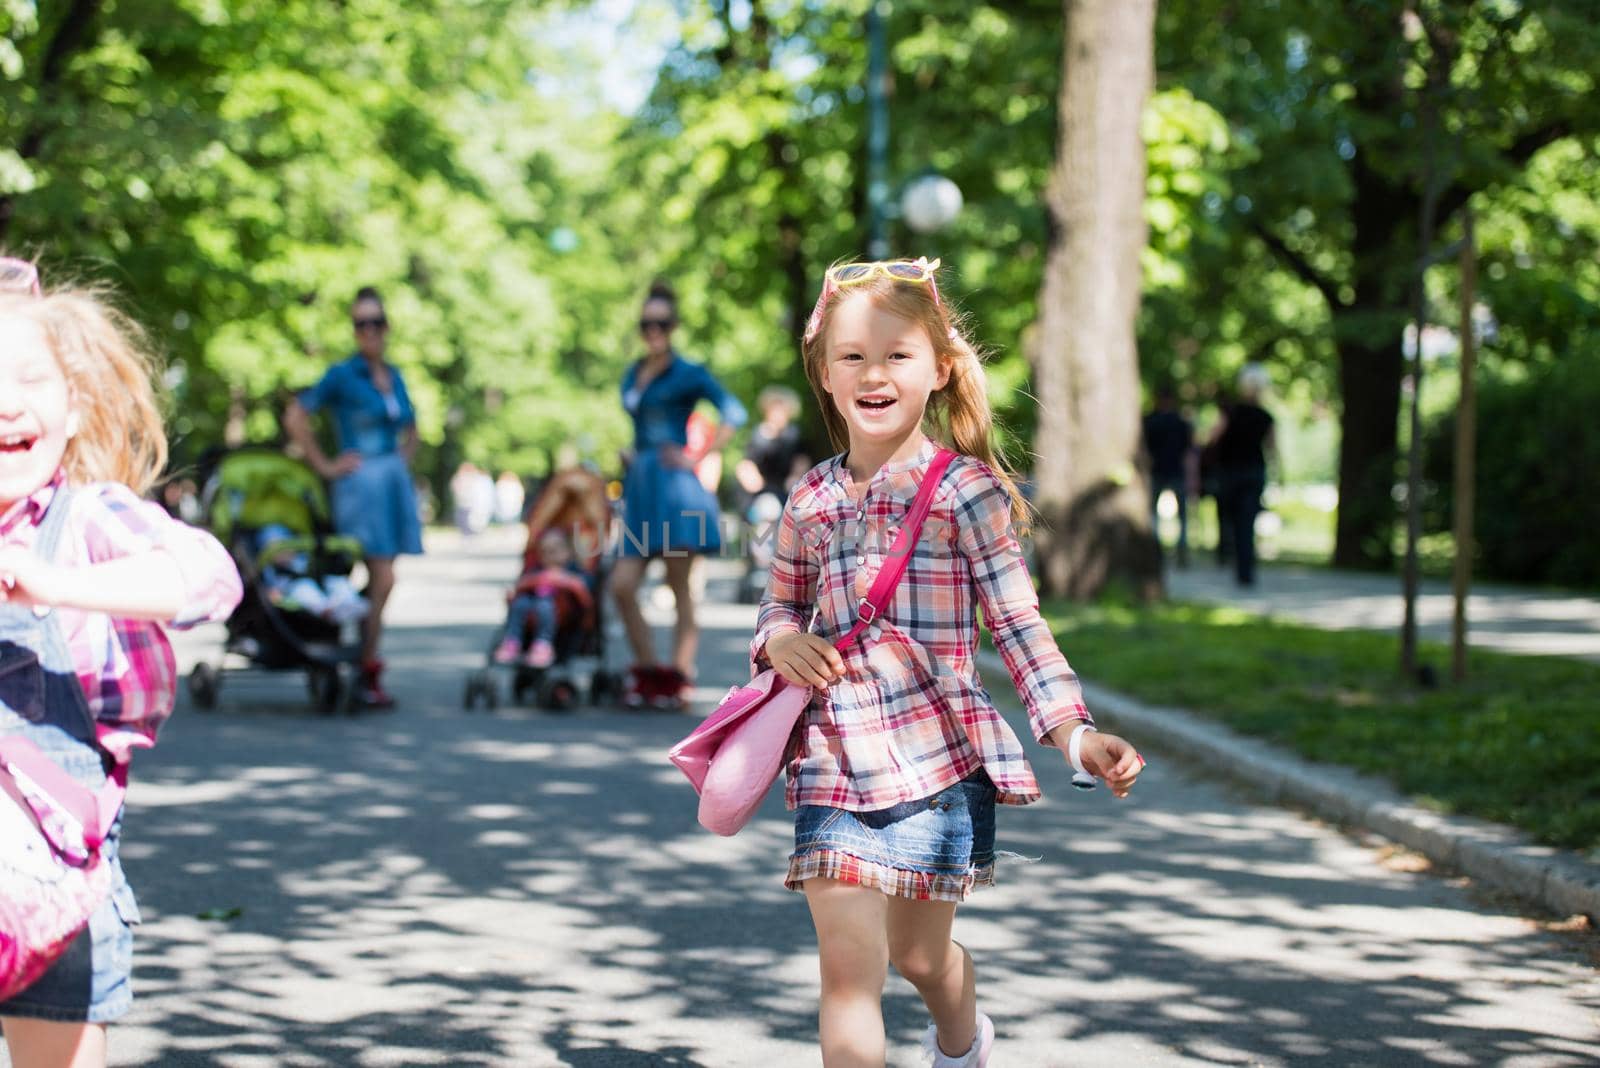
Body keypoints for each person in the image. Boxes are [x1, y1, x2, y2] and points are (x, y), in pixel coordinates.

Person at [754, 257, 1145, 1067]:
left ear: (938, 370)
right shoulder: (810, 500)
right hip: (833, 758)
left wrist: (1074, 733)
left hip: (937, 768)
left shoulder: (968, 492)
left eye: (897, 355)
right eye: (852, 356)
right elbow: (780, 605)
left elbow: (1019, 625)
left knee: (920, 960)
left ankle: (963, 1044)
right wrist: (778, 641)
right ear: (825, 374)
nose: (874, 373)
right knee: (848, 975)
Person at [0, 256, 243, 1068]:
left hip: (56, 891)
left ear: (72, 408)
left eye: (31, 379)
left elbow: (210, 577)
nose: (7, 402)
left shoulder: (86, 521)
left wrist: (57, 583)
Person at [284, 286, 423, 708]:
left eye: (376, 322)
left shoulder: (394, 375)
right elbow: (296, 416)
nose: (369, 331)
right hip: (360, 487)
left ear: (387, 326)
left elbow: (412, 428)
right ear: (353, 329)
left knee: (381, 579)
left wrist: (400, 461)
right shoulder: (341, 375)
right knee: (382, 577)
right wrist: (325, 465)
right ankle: (364, 665)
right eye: (361, 324)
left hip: (391, 482)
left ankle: (361, 661)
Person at [610, 280, 747, 707]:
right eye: (647, 323)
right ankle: (651, 672)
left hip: (674, 488)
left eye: (661, 323)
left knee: (678, 584)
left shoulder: (688, 373)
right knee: (621, 584)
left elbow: (733, 412)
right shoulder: (634, 371)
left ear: (673, 326)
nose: (653, 330)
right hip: (641, 485)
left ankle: (681, 677)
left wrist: (697, 455)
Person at [1210, 363, 1276, 586]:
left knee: (1230, 520)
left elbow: (1213, 437)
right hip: (1254, 472)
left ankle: (1231, 560)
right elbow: (1272, 448)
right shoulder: (1266, 417)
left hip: (1231, 473)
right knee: (1246, 522)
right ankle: (1245, 569)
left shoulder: (1231, 413)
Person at [493, 527, 593, 669]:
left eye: (554, 551)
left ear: (568, 551)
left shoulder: (575, 572)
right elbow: (522, 586)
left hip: (563, 618)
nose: (549, 556)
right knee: (520, 604)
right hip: (530, 613)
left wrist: (562, 580)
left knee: (544, 606)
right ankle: (512, 641)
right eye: (544, 552)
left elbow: (584, 593)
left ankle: (543, 644)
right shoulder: (537, 570)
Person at [255, 522, 368, 624]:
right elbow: (270, 588)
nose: (284, 553)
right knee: (304, 590)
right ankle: (326, 609)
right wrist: (273, 593)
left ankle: (350, 601)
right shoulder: (270, 569)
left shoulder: (300, 558)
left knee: (338, 582)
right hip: (294, 588)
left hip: (317, 580)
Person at [1141, 383, 1195, 567]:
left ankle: (1158, 552)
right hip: (1174, 471)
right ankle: (1181, 551)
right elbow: (1189, 452)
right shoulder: (1181, 423)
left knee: (1154, 516)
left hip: (1159, 471)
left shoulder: (1149, 422)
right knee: (1181, 517)